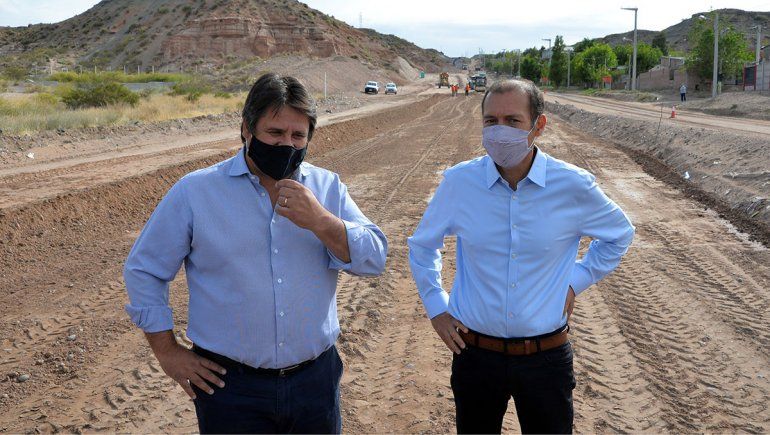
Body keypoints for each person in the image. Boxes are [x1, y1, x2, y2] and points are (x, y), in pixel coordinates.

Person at [124, 73, 388, 434]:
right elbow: (144, 270)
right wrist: (167, 353)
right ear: (247, 129)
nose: (287, 145)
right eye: (275, 133)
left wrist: (322, 221)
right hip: (230, 389)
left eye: (298, 136)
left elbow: (375, 258)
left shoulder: (327, 188)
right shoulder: (196, 192)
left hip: (315, 383)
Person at [408, 78, 634, 434]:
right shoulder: (459, 184)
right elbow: (423, 245)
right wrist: (436, 307)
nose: (499, 132)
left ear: (538, 125)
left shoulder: (573, 186)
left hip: (546, 359)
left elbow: (620, 235)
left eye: (512, 121)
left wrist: (576, 281)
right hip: (475, 357)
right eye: (490, 121)